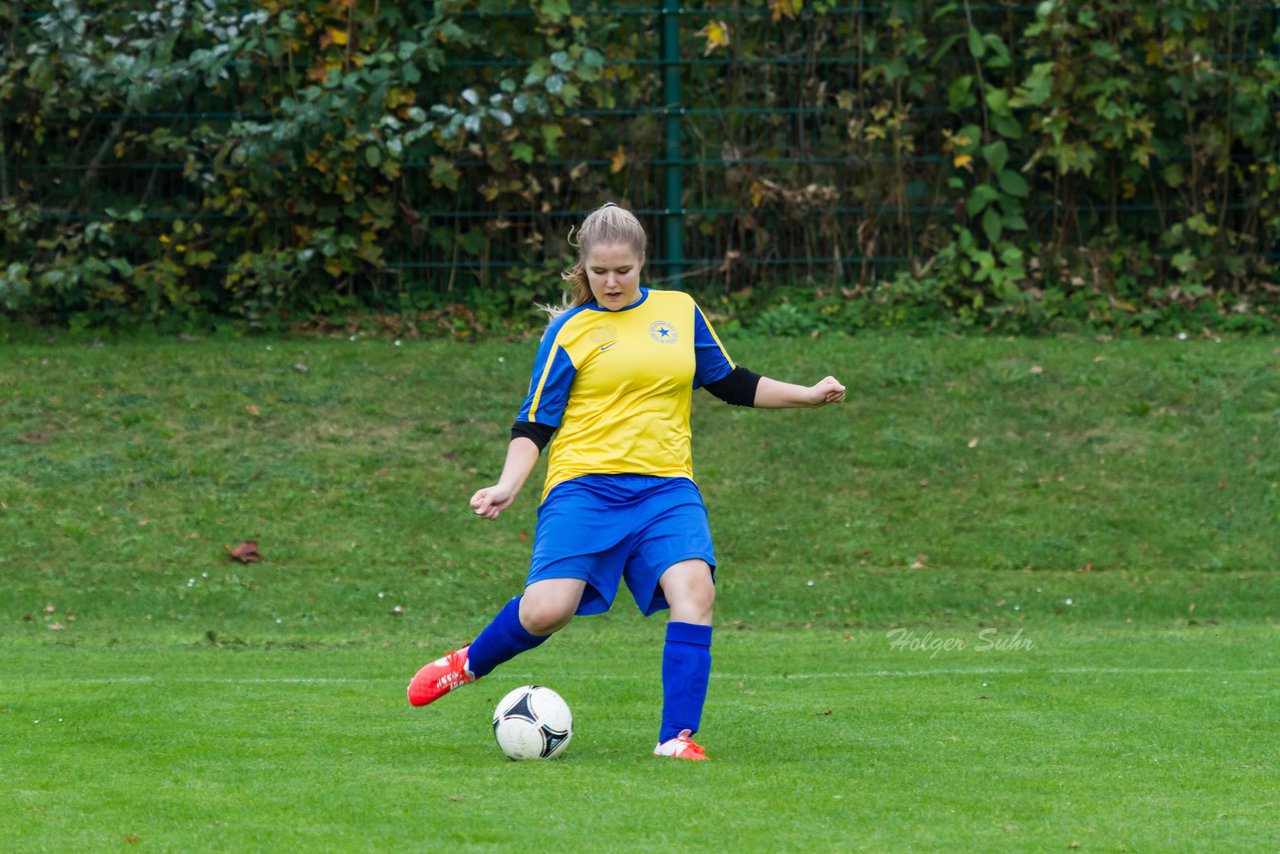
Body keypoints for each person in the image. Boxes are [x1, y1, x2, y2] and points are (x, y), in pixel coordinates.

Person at [407, 203, 845, 760]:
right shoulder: (570, 331)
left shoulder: (680, 312)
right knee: (548, 610)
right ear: (583, 270)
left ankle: (676, 739)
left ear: (642, 263)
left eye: (622, 270)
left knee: (696, 591)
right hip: (584, 488)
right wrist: (507, 483)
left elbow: (730, 382)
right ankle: (467, 663)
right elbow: (534, 421)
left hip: (666, 488)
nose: (611, 283)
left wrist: (806, 394)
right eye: (599, 272)